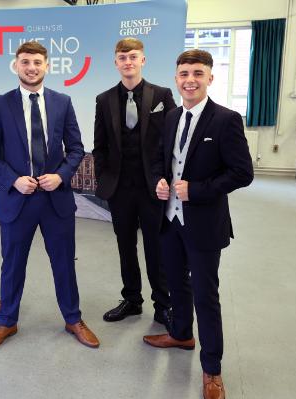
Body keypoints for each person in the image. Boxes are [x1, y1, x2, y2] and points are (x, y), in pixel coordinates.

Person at [143, 49, 253, 399]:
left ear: (209, 78)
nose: (190, 79)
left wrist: (198, 190)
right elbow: (163, 159)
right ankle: (180, 334)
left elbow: (242, 173)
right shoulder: (171, 117)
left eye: (197, 73)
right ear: (176, 79)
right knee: (176, 285)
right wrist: (161, 181)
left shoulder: (226, 120)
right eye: (184, 73)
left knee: (206, 296)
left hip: (204, 223)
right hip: (170, 220)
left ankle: (212, 370)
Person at [0, 41, 99, 349]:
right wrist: (13, 180)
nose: (31, 67)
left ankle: (73, 318)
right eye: (25, 62)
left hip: (55, 201)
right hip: (16, 201)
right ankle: (6, 321)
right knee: (12, 264)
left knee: (63, 263)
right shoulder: (0, 104)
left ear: (46, 66)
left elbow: (75, 149)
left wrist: (60, 175)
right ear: (16, 66)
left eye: (37, 62)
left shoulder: (62, 101)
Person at [93, 38, 175, 327]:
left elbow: (171, 143)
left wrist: (166, 179)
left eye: (133, 57)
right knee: (125, 245)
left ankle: (163, 304)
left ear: (143, 60)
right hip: (119, 188)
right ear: (116, 62)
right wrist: (104, 177)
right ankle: (132, 299)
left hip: (153, 187)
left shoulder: (162, 95)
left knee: (156, 246)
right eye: (122, 57)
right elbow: (99, 146)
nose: (128, 62)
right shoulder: (104, 100)